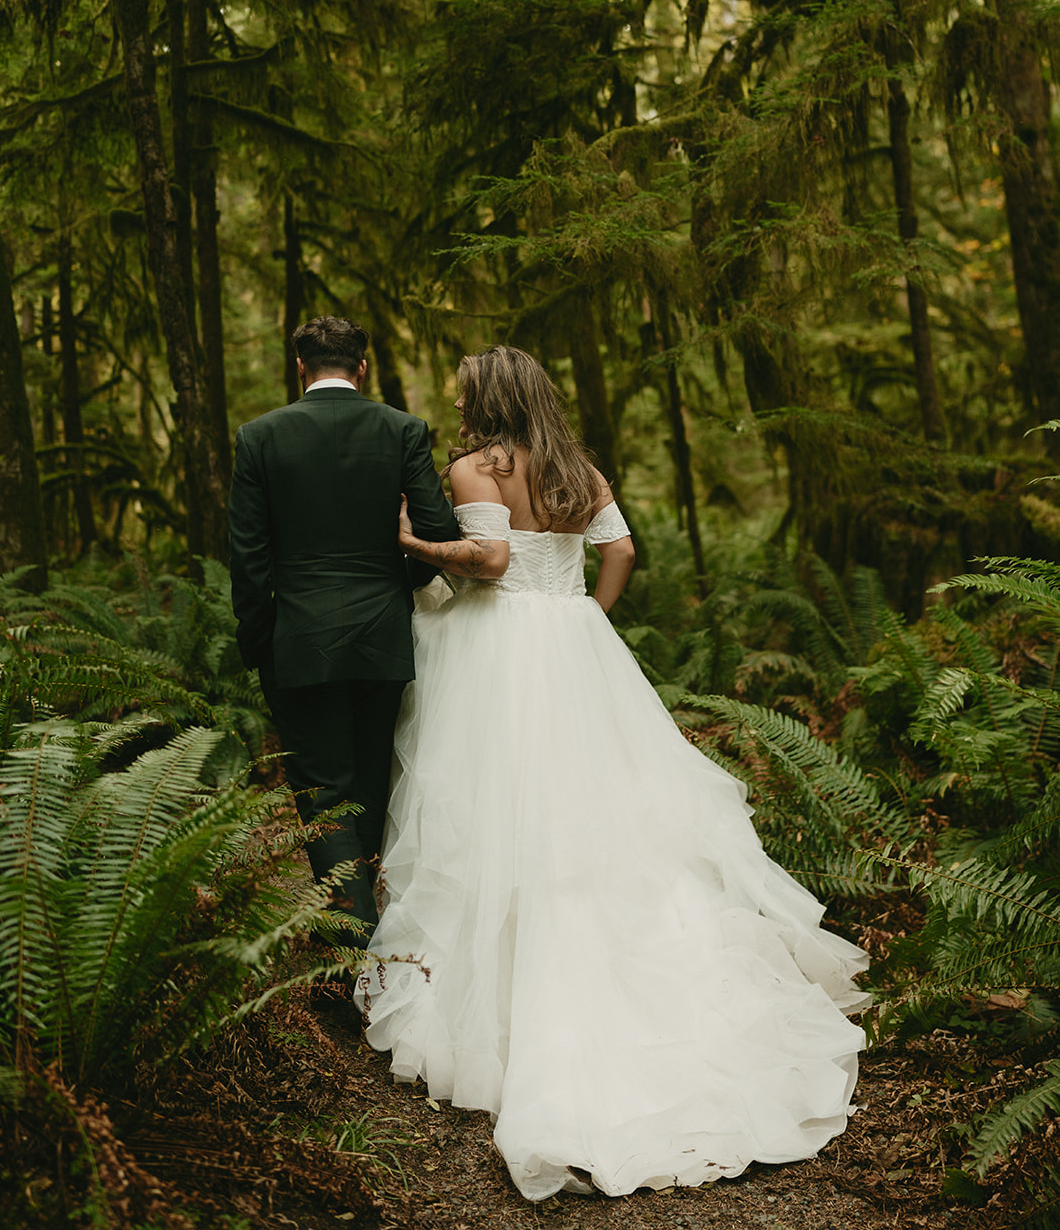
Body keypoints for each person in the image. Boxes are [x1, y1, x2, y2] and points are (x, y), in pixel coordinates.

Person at [354, 344, 868, 1201]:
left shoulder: (475, 469)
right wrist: (588, 615)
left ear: (485, 398)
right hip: (574, 644)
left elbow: (491, 565)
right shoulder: (576, 469)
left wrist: (411, 539)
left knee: (491, 807)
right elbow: (621, 551)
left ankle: (499, 991)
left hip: (500, 649)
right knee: (604, 812)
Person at [228, 315, 460, 941]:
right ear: (362, 368)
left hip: (298, 641)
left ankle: (356, 947)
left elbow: (248, 559)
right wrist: (396, 586)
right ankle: (383, 933)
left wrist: (260, 646)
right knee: (370, 775)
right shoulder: (402, 430)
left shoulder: (259, 438)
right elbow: (437, 532)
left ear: (300, 367)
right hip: (383, 635)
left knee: (323, 790)